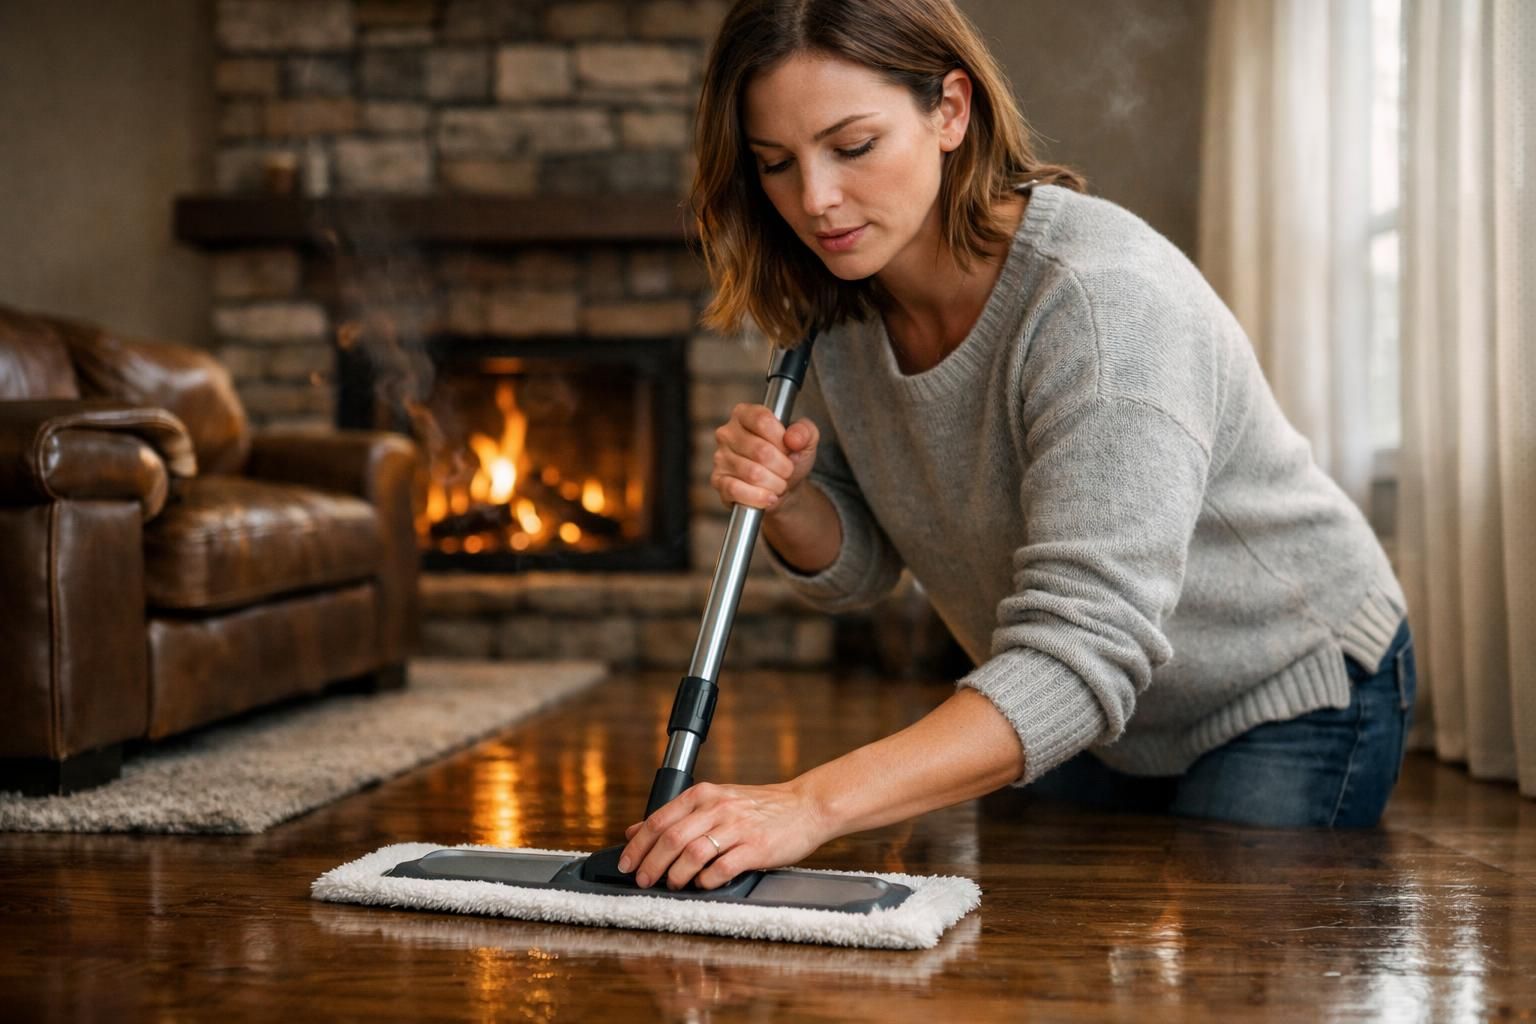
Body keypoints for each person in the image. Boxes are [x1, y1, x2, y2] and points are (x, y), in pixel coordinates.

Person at [616, 0, 1416, 893]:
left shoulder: (1103, 308)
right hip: (1090, 702)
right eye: (776, 163)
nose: (815, 200)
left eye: (852, 147)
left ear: (950, 111)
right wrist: (797, 501)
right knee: (1037, 945)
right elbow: (867, 569)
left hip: (1278, 687)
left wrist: (809, 804)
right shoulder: (837, 306)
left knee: (1221, 967)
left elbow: (1083, 650)